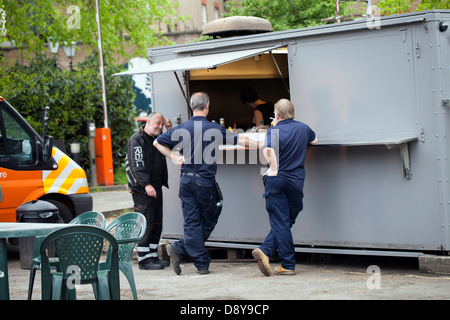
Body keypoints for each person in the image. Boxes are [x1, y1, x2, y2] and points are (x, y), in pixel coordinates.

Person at [154, 92, 260, 275]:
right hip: (204, 182)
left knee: (191, 221)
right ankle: (192, 255)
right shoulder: (213, 128)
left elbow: (157, 142)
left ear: (192, 106)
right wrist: (264, 144)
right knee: (211, 214)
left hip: (185, 180)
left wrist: (173, 156)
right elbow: (240, 139)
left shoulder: (183, 128)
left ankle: (190, 254)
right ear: (208, 105)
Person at [252, 98, 318, 276]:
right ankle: (268, 253)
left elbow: (267, 150)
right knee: (288, 218)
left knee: (282, 222)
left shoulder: (274, 131)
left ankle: (282, 261)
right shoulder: (303, 128)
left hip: (276, 180)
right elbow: (315, 140)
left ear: (277, 114)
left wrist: (273, 168)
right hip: (296, 182)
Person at [126, 112, 172, 270]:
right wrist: (146, 185)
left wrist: (169, 130)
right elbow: (136, 164)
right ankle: (144, 260)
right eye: (157, 123)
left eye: (161, 124)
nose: (159, 126)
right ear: (148, 121)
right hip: (143, 190)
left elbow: (170, 147)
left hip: (156, 188)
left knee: (156, 223)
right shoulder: (137, 139)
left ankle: (153, 255)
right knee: (146, 223)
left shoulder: (157, 139)